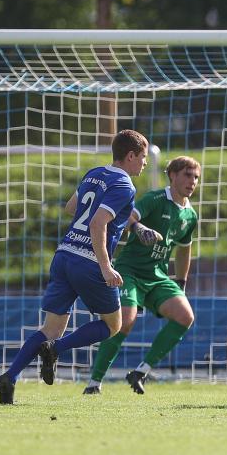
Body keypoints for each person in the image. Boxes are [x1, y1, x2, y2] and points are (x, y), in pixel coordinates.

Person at [0, 129, 149, 404]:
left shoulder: (93, 174)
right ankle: (56, 349)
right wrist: (105, 267)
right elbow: (97, 223)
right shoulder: (125, 185)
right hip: (90, 262)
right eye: (143, 157)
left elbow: (70, 207)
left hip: (64, 255)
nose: (145, 163)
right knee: (114, 324)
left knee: (50, 328)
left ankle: (10, 377)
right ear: (130, 155)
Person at [83, 156, 200, 395]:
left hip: (158, 276)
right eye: (187, 175)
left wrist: (181, 281)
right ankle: (94, 383)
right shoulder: (155, 199)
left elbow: (184, 249)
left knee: (185, 316)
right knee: (125, 321)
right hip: (131, 271)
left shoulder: (191, 215)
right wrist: (140, 228)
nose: (192, 181)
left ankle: (141, 371)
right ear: (173, 175)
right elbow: (127, 217)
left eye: (196, 177)